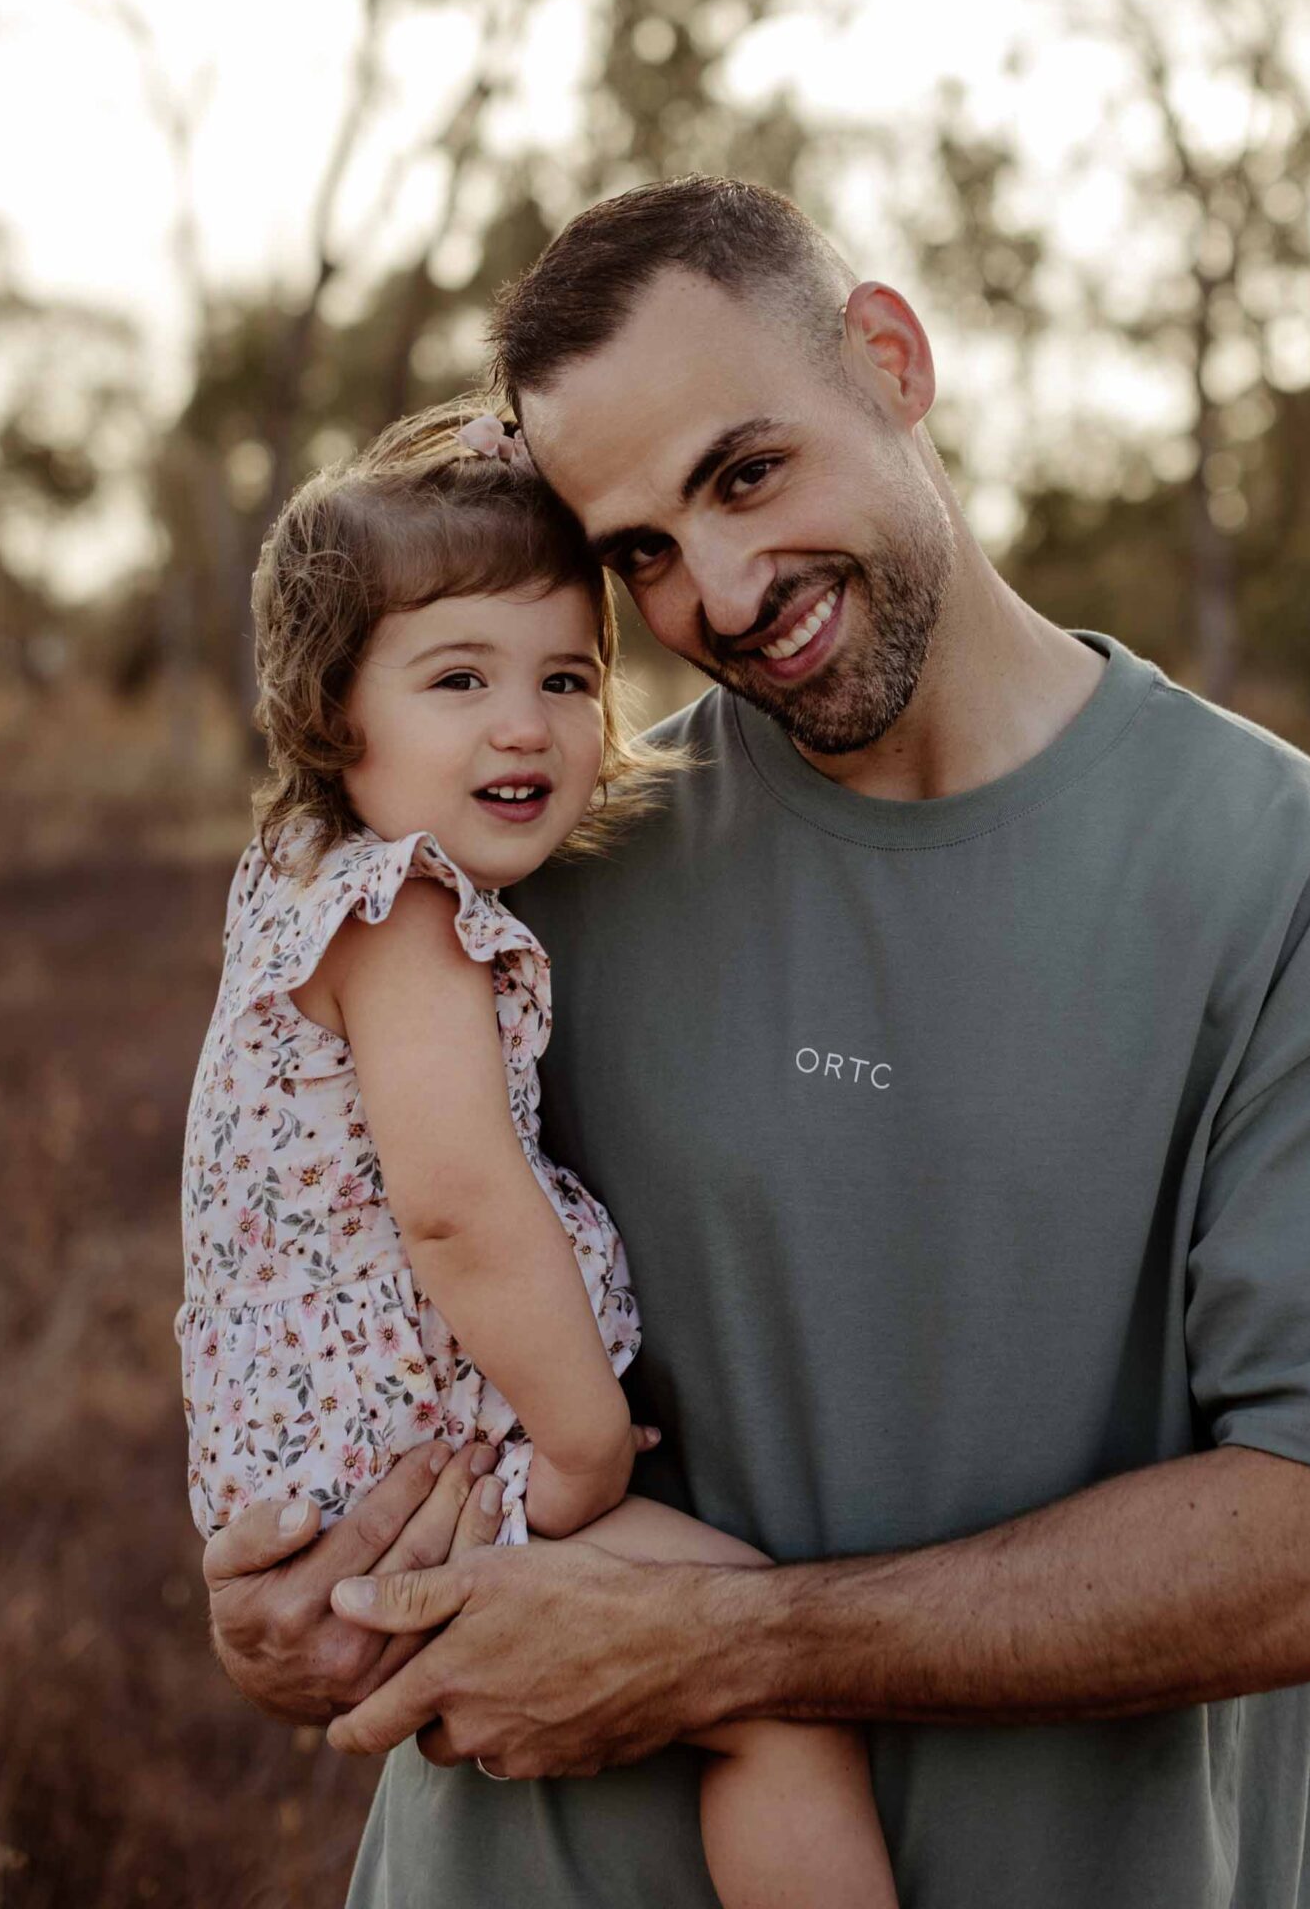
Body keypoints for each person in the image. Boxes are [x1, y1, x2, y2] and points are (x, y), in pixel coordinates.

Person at [203, 177, 1310, 1909]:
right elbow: (330, 1266)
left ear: (890, 359)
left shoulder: (1300, 892)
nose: (723, 592)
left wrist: (733, 1649)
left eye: (747, 473)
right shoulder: (537, 861)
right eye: (640, 552)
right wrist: (289, 1601)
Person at [175, 400, 901, 1908]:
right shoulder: (403, 915)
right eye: (459, 678)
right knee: (777, 1697)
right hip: (428, 1475)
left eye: (567, 678)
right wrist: (579, 1443)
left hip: (320, 1474)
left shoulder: (294, 873)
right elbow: (458, 1209)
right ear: (333, 710)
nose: (525, 725)